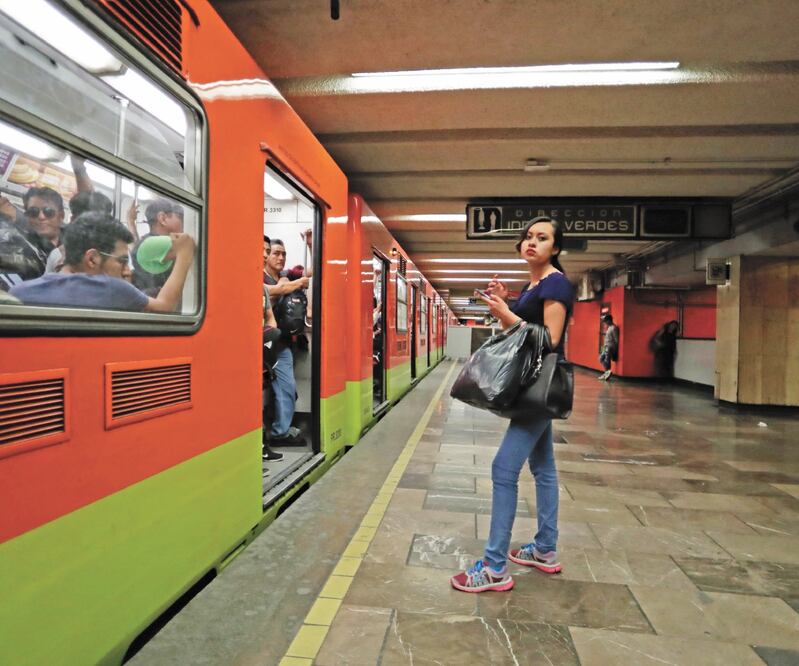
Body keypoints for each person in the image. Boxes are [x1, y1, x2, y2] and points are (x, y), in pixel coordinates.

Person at [451, 215, 574, 593]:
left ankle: (493, 567)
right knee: (544, 467)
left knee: (504, 469)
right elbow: (526, 326)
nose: (531, 242)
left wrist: (508, 316)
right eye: (528, 237)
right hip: (536, 387)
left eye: (542, 238)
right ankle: (545, 549)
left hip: (538, 388)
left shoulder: (557, 283)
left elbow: (549, 339)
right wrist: (509, 302)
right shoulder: (534, 284)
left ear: (555, 248)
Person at [10, 212, 194, 312]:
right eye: (122, 262)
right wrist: (185, 254)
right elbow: (165, 306)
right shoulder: (111, 289)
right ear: (92, 259)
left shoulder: (19, 292)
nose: (127, 271)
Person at [263, 238, 308, 445]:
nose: (280, 257)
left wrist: (310, 244)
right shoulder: (261, 277)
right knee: (285, 387)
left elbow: (312, 270)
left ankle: (279, 429)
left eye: (284, 254)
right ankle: (279, 432)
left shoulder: (284, 276)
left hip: (282, 341)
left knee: (285, 388)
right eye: (275, 253)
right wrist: (293, 284)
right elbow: (272, 292)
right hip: (266, 342)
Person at [261, 235, 283, 462]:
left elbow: (270, 318)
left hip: (262, 351)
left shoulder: (262, 289)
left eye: (268, 250)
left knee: (260, 402)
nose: (266, 254)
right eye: (264, 250)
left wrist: (268, 338)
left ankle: (262, 446)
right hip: (246, 352)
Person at [132, 199, 184, 295]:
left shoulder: (146, 241)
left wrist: (131, 222)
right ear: (162, 218)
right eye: (180, 218)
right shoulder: (156, 243)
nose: (184, 223)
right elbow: (188, 245)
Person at [598, 313, 619, 381]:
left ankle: (607, 372)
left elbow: (616, 340)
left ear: (609, 320)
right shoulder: (609, 327)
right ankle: (607, 371)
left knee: (607, 360)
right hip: (605, 346)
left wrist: (615, 351)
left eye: (605, 321)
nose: (604, 323)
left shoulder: (614, 328)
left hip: (610, 346)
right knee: (600, 358)